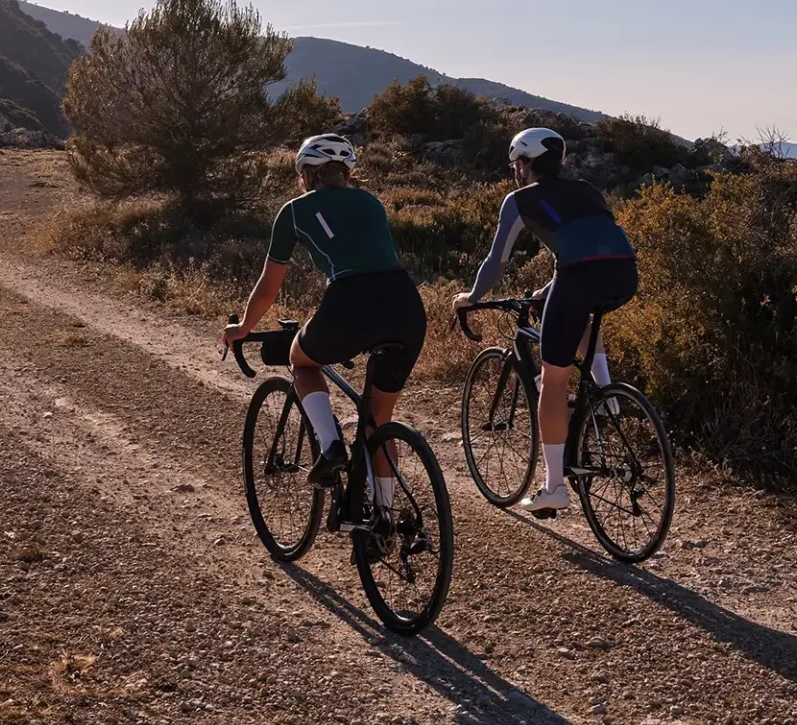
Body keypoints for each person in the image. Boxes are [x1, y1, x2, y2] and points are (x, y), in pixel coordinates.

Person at [222, 134, 427, 507]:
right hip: (406, 305)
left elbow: (269, 286)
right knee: (378, 420)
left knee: (301, 360)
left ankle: (331, 446)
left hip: (350, 302)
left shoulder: (294, 211)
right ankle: (384, 514)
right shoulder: (371, 202)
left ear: (307, 174)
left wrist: (244, 328)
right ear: (346, 173)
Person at [454, 127, 637, 515]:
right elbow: (592, 246)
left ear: (523, 164)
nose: (515, 172)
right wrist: (549, 288)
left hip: (577, 280)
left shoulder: (519, 200)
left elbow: (496, 261)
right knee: (585, 314)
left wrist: (473, 297)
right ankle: (607, 397)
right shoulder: (587, 190)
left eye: (515, 166)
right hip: (624, 275)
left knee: (552, 382)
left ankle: (554, 487)